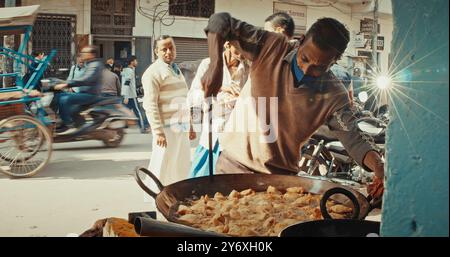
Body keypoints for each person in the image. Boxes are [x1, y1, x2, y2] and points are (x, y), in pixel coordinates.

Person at [201, 13, 385, 203]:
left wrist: (380, 169)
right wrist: (215, 65)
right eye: (304, 58)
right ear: (302, 39)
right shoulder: (271, 46)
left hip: (281, 182)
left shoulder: (335, 94)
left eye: (318, 67)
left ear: (335, 60)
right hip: (234, 167)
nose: (307, 70)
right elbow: (220, 21)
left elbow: (354, 139)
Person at [141, 35, 196, 193]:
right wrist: (158, 131)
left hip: (181, 126)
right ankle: (158, 197)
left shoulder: (175, 70)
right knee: (163, 164)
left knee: (180, 164)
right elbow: (150, 104)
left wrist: (191, 125)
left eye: (171, 48)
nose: (168, 52)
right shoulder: (153, 73)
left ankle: (177, 194)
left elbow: (184, 100)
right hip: (166, 129)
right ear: (156, 51)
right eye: (163, 49)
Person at [187, 41, 249, 178]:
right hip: (213, 129)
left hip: (237, 131)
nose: (244, 52)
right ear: (227, 45)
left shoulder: (248, 68)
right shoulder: (208, 64)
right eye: (240, 48)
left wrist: (240, 99)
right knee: (201, 178)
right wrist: (221, 89)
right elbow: (195, 93)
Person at [54, 45, 103, 135]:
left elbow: (87, 79)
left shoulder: (95, 65)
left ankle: (69, 125)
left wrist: (67, 84)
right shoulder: (88, 64)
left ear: (92, 55)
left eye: (84, 53)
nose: (82, 55)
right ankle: (72, 125)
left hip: (90, 95)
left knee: (64, 99)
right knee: (59, 96)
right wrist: (61, 82)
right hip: (84, 93)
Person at [121, 56, 150, 133]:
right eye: (135, 61)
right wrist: (126, 97)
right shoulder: (130, 71)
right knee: (138, 112)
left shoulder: (125, 70)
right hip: (130, 96)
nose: (137, 62)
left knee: (123, 112)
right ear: (132, 62)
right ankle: (144, 128)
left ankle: (119, 129)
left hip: (126, 95)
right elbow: (127, 83)